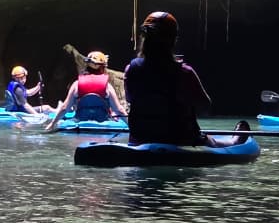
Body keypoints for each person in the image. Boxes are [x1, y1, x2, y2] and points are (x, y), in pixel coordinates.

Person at [123, 12, 211, 145]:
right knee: (214, 142)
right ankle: (235, 140)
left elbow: (130, 98)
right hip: (181, 140)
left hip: (140, 140)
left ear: (144, 38)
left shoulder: (131, 69)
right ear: (173, 39)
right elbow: (205, 108)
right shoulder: (184, 72)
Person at [45, 50, 128, 132]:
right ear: (102, 67)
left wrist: (52, 124)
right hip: (103, 122)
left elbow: (65, 108)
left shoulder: (76, 84)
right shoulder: (107, 86)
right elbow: (119, 110)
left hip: (80, 121)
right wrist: (131, 125)